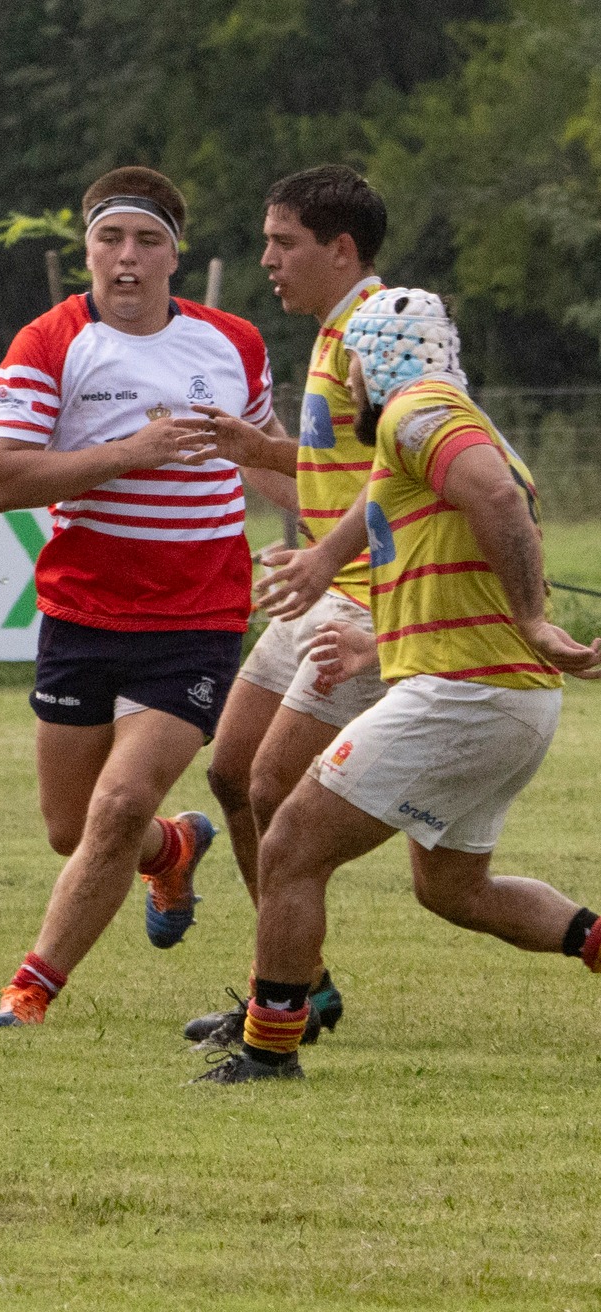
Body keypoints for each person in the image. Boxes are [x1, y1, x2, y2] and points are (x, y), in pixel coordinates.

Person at [191, 288, 601, 1082]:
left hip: (465, 697)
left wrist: (535, 619)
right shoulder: (426, 432)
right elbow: (447, 564)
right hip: (503, 700)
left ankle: (270, 1049)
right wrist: (379, 644)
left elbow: (496, 502)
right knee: (455, 890)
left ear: (362, 369)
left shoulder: (420, 414)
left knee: (291, 844)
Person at [0, 166, 285, 1028]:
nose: (127, 258)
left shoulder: (234, 343)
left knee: (116, 806)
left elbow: (268, 463)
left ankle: (30, 989)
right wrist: (128, 452)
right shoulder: (48, 341)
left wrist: (348, 541)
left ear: (174, 258)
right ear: (88, 250)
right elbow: (1, 477)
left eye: (147, 242)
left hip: (198, 616)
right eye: (111, 239)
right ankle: (174, 846)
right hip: (82, 613)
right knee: (74, 829)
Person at [185, 165, 391, 1050]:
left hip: (368, 604)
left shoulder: (380, 333)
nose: (268, 258)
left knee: (275, 788)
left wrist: (324, 558)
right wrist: (253, 446)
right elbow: (342, 469)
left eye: (284, 243)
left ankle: (286, 1002)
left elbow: (416, 470)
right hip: (325, 584)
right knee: (231, 773)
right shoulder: (328, 331)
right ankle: (303, 980)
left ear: (339, 250)